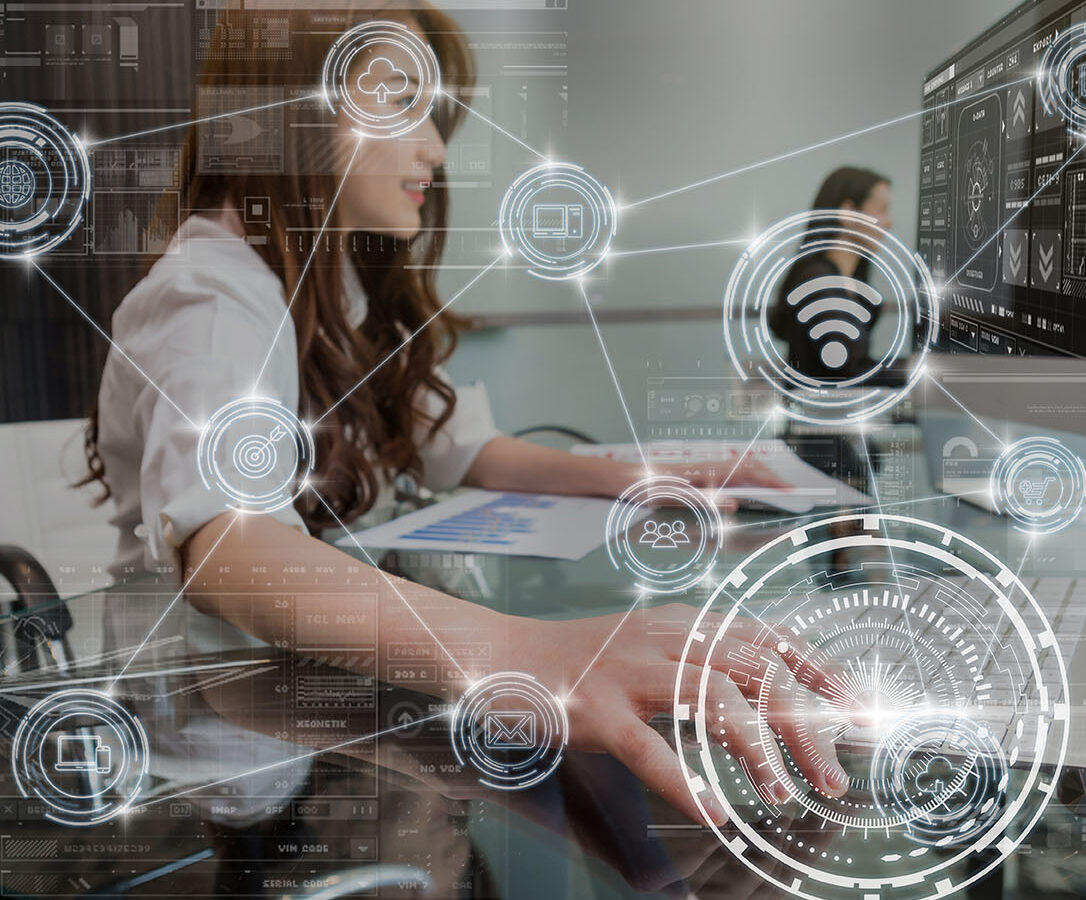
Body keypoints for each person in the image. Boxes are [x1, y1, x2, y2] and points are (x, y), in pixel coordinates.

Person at [83, 0, 849, 834]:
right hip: (220, 767)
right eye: (403, 102)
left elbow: (461, 449)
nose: (435, 150)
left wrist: (627, 478)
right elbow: (230, 547)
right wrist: (526, 655)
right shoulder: (214, 292)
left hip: (309, 710)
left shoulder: (336, 281)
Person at [768, 166, 894, 381]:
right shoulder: (819, 281)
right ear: (848, 213)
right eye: (881, 210)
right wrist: (916, 370)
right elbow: (849, 368)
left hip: (835, 407)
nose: (888, 222)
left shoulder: (847, 282)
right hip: (818, 409)